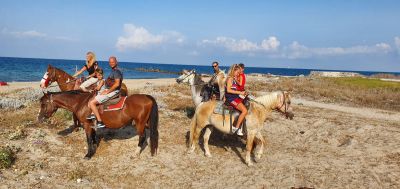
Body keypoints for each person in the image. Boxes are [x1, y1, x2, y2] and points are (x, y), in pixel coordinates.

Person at [87, 56, 123, 128]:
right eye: (110, 62)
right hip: (109, 90)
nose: (111, 63)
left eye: (112, 62)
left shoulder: (116, 71)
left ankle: (100, 122)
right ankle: (94, 113)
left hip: (113, 91)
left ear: (116, 62)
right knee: (92, 99)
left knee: (92, 102)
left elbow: (117, 84)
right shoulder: (115, 70)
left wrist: (107, 91)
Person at [225, 64, 248, 136]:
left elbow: (235, 89)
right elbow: (228, 90)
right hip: (231, 99)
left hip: (235, 97)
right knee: (244, 111)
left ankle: (241, 125)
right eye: (237, 72)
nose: (238, 74)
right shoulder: (230, 79)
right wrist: (240, 92)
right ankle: (236, 128)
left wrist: (243, 93)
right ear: (233, 71)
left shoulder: (233, 79)